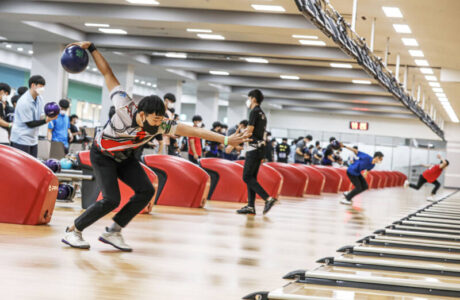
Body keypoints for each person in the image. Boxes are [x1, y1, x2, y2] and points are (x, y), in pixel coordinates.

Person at [61, 41, 249, 251]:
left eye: (161, 121)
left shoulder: (161, 125)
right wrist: (92, 49)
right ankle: (73, 231)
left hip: (126, 158)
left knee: (146, 191)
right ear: (142, 115)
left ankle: (113, 231)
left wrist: (226, 140)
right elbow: (108, 74)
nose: (158, 125)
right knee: (111, 199)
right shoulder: (124, 107)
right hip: (103, 156)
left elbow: (195, 131)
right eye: (154, 120)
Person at [230, 89, 277, 215]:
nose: (248, 100)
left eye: (249, 98)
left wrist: (236, 139)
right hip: (259, 148)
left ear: (253, 99)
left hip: (253, 148)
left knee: (246, 176)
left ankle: (268, 198)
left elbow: (249, 131)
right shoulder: (262, 113)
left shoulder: (254, 112)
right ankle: (251, 206)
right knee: (251, 177)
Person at [10, 75, 57, 157]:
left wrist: (50, 115)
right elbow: (30, 124)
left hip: (33, 139)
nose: (42, 89)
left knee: (32, 166)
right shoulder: (24, 101)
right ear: (33, 85)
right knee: (22, 167)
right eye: (40, 86)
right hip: (21, 139)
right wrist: (47, 120)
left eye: (43, 86)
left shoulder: (40, 99)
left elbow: (41, 116)